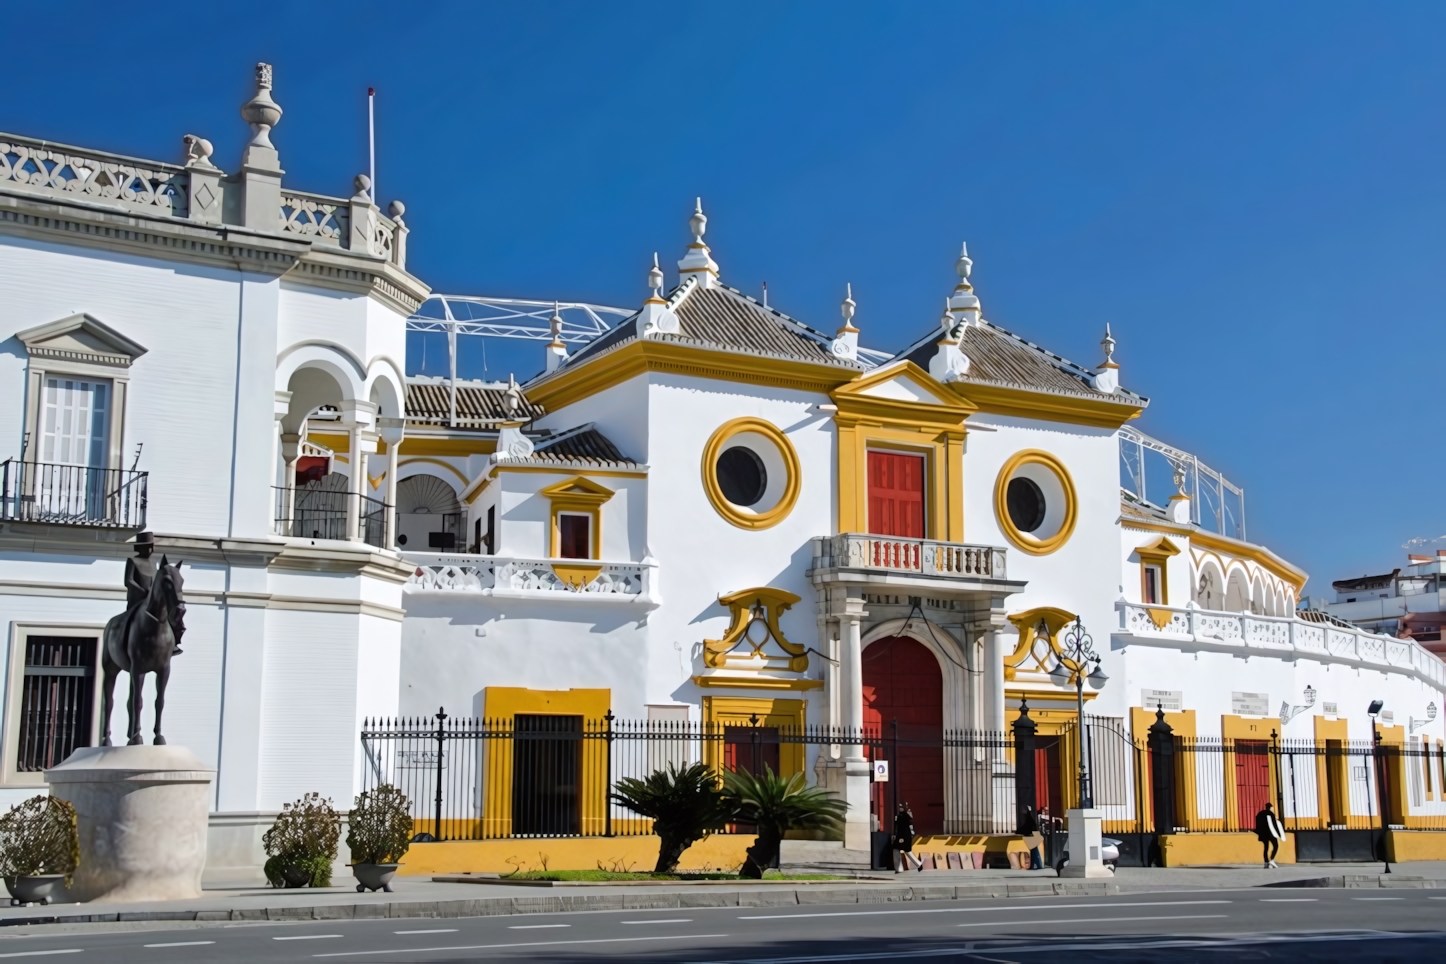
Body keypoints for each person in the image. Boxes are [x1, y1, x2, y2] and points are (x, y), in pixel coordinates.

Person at [893, 802, 922, 872]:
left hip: (903, 836)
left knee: (897, 850)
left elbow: (902, 828)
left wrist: (901, 838)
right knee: (907, 851)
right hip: (906, 836)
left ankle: (899, 868)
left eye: (901, 807)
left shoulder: (902, 816)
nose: (899, 808)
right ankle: (918, 864)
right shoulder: (905, 815)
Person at [1255, 801, 1283, 868]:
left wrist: (1259, 832)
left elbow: (1257, 824)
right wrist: (1279, 834)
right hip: (1271, 833)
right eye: (1272, 808)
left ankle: (1266, 862)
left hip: (1263, 834)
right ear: (1270, 808)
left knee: (1266, 847)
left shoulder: (1260, 814)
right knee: (1276, 846)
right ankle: (1272, 860)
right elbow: (1274, 825)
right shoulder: (1271, 814)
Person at [1020, 804, 1044, 870]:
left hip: (1031, 837)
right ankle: (1036, 864)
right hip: (1032, 836)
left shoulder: (1028, 819)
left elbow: (1026, 827)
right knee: (1034, 851)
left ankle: (1036, 865)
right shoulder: (1031, 818)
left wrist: (1019, 831)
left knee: (1034, 851)